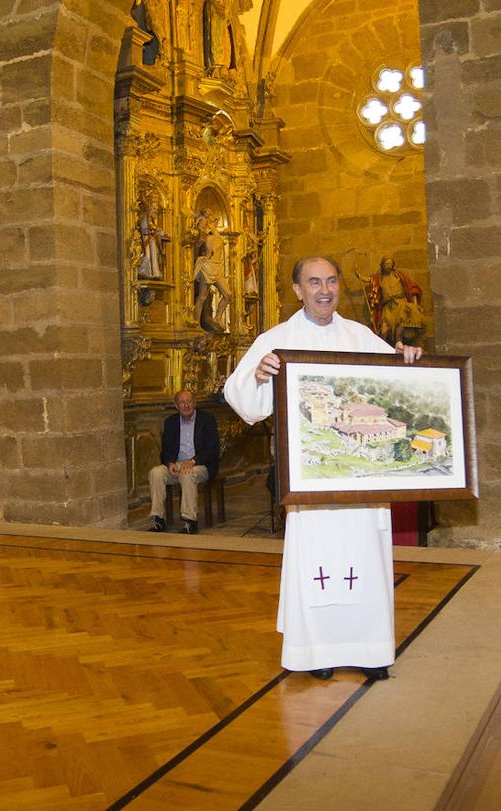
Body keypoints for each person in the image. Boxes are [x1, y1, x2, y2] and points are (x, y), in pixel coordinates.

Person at [223, 256, 422, 681]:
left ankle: (370, 650)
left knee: (365, 559)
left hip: (362, 483)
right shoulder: (276, 340)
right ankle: (317, 653)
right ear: (297, 290)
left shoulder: (360, 335)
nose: (324, 289)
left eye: (331, 280)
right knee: (316, 562)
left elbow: (397, 381)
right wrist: (259, 377)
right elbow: (240, 398)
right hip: (309, 483)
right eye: (314, 282)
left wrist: (408, 357)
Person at [147, 389, 220, 535]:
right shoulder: (170, 422)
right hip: (177, 463)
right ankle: (158, 519)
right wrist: (170, 463)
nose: (186, 405)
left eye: (189, 402)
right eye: (182, 402)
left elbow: (212, 449)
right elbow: (166, 450)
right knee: (155, 473)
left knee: (187, 473)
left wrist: (193, 461)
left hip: (200, 464)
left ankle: (190, 521)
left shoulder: (207, 419)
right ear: (176, 405)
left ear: (195, 403)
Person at [364, 256, 426, 345]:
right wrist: (358, 275)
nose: (387, 265)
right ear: (382, 265)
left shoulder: (399, 276)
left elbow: (412, 289)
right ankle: (383, 351)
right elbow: (369, 280)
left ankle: (398, 348)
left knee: (399, 330)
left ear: (393, 265)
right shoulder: (380, 278)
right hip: (388, 307)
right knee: (383, 330)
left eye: (389, 263)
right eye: (386, 264)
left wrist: (415, 305)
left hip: (400, 305)